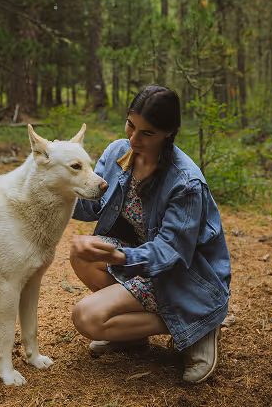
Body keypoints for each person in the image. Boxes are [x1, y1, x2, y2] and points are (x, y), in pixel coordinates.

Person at [70, 85, 231, 384]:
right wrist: (50, 191)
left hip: (184, 276)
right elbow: (94, 205)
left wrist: (121, 256)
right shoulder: (119, 151)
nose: (133, 139)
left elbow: (170, 253)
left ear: (168, 132)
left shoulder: (186, 183)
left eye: (147, 133)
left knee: (86, 317)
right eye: (131, 125)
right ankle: (133, 337)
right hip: (142, 263)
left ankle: (197, 324)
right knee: (82, 253)